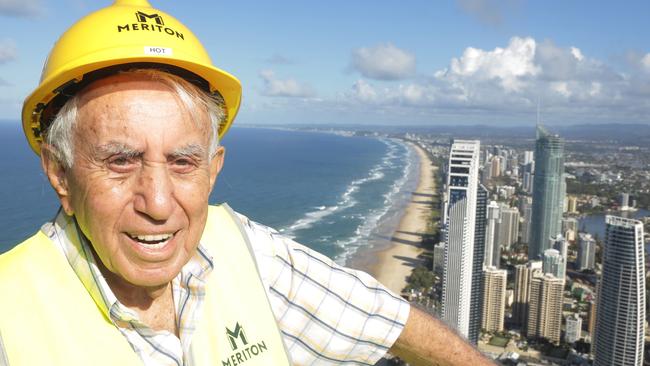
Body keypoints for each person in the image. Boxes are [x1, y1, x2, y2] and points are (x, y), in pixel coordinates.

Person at [0, 1, 495, 365]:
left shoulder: (243, 250)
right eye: (121, 161)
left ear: (213, 169)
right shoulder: (10, 313)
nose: (157, 202)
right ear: (60, 174)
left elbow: (391, 322)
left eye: (182, 162)